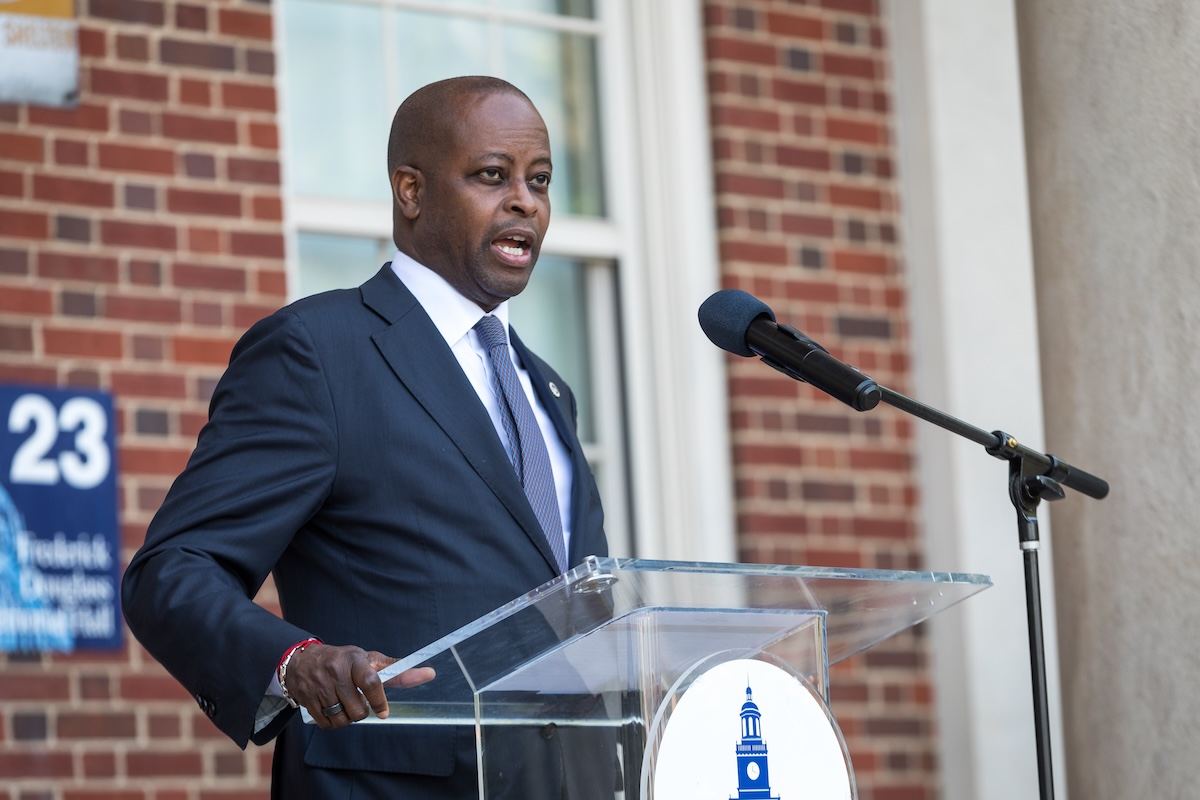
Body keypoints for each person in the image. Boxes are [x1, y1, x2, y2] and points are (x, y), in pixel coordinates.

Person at [121, 76, 608, 799]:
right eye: (491, 176)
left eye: (539, 180)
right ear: (410, 192)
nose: (525, 201)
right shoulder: (318, 353)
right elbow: (172, 570)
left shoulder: (548, 390)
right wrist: (294, 661)